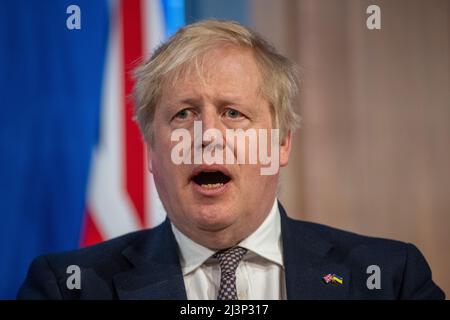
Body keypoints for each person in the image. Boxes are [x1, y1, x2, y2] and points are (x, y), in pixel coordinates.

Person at [18, 19, 444, 300]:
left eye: (233, 113)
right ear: (151, 150)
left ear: (281, 145)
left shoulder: (390, 280)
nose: (208, 138)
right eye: (184, 114)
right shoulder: (67, 288)